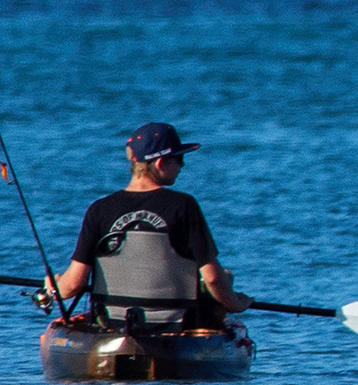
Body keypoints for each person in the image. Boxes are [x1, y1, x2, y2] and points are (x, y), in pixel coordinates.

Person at [49, 122, 251, 329]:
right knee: (226, 277)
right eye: (179, 159)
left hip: (112, 322)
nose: (182, 166)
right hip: (175, 325)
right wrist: (237, 304)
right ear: (160, 163)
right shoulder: (184, 206)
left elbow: (73, 284)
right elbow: (213, 278)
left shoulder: (98, 209)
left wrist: (53, 288)